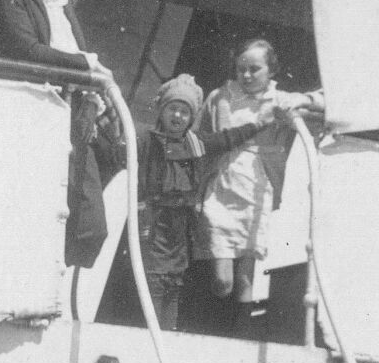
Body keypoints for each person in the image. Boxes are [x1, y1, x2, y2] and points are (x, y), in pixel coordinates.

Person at [0, 0, 122, 269]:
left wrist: (92, 81)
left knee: (88, 225)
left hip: (76, 110)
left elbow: (74, 45)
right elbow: (25, 50)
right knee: (41, 213)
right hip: (39, 108)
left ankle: (57, 300)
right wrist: (86, 65)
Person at [194, 38, 323, 337]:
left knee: (245, 280)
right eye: (242, 69)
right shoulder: (220, 97)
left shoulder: (280, 101)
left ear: (270, 69)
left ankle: (237, 341)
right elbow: (201, 137)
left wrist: (302, 100)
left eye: (255, 69)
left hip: (256, 191)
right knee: (221, 279)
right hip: (221, 186)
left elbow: (326, 102)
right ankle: (209, 326)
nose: (247, 75)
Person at [135, 74, 276, 332]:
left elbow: (226, 138)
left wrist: (257, 124)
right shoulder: (147, 141)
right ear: (162, 110)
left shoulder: (194, 144)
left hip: (179, 231)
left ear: (191, 118)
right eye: (172, 109)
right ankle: (152, 336)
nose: (177, 117)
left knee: (174, 284)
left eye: (184, 112)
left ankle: (169, 336)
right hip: (153, 226)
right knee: (152, 286)